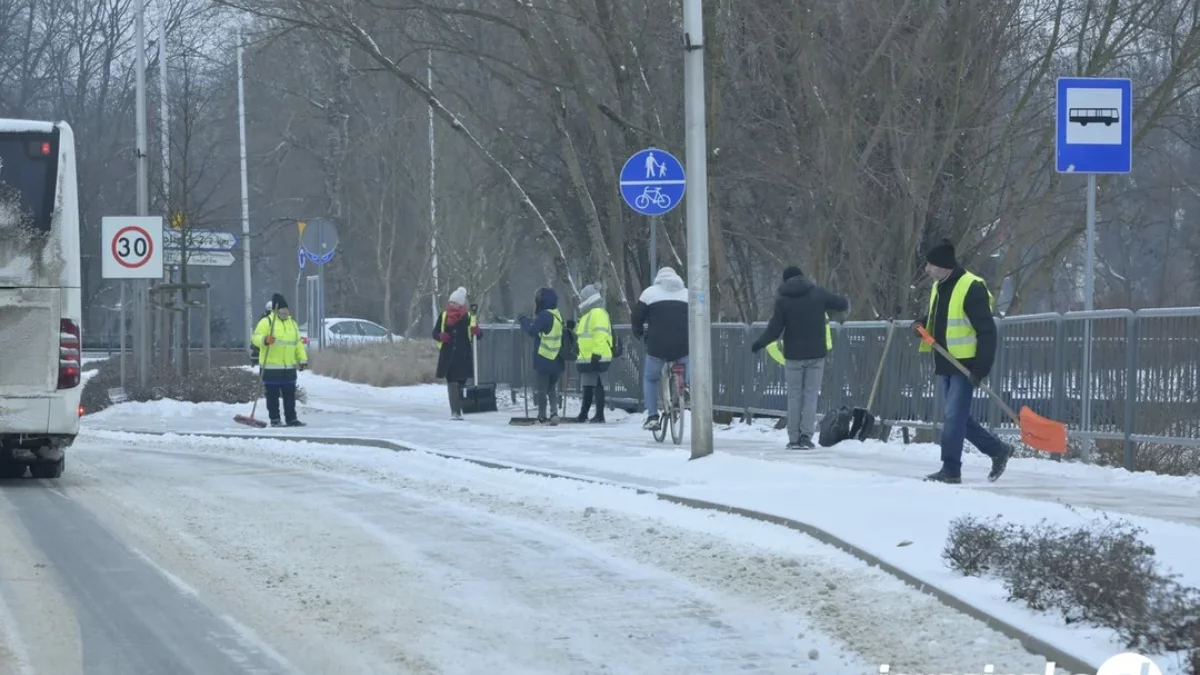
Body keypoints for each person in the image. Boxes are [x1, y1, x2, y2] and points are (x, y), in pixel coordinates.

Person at [914, 238, 1013, 483]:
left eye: (930, 265)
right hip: (945, 361)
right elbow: (939, 317)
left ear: (944, 266)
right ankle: (998, 450)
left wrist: (981, 368)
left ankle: (951, 469)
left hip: (965, 365)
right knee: (957, 418)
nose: (927, 270)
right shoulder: (940, 286)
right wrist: (922, 324)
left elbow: (987, 332)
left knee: (953, 418)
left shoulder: (971, 287)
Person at [751, 265, 849, 449]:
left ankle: (793, 439)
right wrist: (842, 300)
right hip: (816, 354)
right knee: (811, 396)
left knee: (794, 397)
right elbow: (841, 304)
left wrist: (759, 343)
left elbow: (774, 330)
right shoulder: (818, 294)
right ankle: (806, 437)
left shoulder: (783, 300)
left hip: (793, 356)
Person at [631, 267, 689, 430]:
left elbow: (637, 317)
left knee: (650, 378)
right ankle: (688, 387)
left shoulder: (649, 293)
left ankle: (652, 416)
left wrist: (639, 332)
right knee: (689, 361)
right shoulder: (687, 294)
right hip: (683, 344)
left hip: (658, 345)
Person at [251, 293, 308, 427]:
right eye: (282, 309)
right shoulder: (267, 322)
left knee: (290, 395)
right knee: (272, 396)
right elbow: (255, 338)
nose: (285, 312)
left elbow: (297, 344)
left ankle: (291, 418)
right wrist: (265, 340)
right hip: (271, 367)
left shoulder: (292, 324)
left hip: (288, 368)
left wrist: (302, 359)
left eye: (286, 309)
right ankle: (275, 419)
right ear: (275, 310)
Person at [433, 286, 482, 420]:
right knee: (452, 382)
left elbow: (478, 334)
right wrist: (440, 336)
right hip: (448, 356)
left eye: (455, 303)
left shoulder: (468, 317)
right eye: (451, 302)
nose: (452, 305)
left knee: (461, 382)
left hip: (463, 355)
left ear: (460, 304)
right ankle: (455, 411)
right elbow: (435, 332)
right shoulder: (443, 316)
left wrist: (477, 332)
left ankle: (460, 406)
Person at [519, 287, 565, 423]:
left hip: (544, 357)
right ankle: (554, 412)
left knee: (542, 390)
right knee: (552, 388)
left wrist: (523, 320)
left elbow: (532, 330)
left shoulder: (545, 315)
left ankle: (542, 415)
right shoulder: (557, 314)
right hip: (557, 358)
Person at [573, 284, 612, 423]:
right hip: (588, 357)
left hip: (596, 356)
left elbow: (600, 334)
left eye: (582, 298)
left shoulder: (597, 313)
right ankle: (584, 413)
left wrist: (596, 353)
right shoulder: (588, 314)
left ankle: (599, 415)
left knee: (597, 385)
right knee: (588, 385)